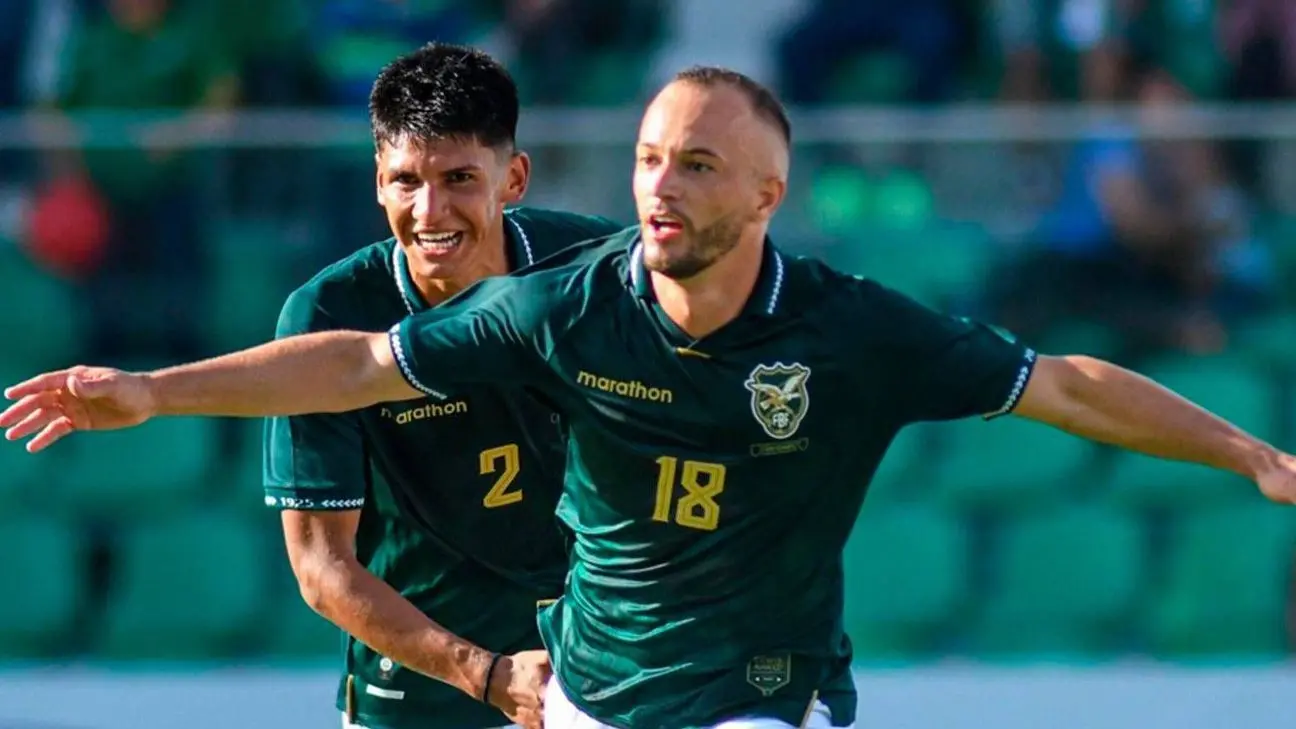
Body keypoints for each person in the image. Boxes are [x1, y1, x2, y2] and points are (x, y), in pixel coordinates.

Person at [5, 67, 1296, 729]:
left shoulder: (849, 330)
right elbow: (358, 362)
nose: (659, 190)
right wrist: (154, 393)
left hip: (757, 688)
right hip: (583, 697)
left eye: (694, 166)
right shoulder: (573, 301)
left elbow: (1059, 383)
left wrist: (1251, 455)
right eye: (644, 161)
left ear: (764, 197)